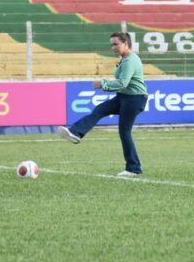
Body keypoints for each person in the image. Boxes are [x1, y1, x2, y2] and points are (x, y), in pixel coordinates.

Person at [58, 32, 149, 176]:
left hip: (135, 99)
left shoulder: (131, 60)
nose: (113, 47)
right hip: (124, 97)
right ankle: (75, 133)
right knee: (100, 109)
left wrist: (103, 84)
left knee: (124, 132)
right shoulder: (124, 59)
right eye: (111, 45)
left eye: (116, 44)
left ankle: (134, 168)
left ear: (125, 43)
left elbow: (122, 83)